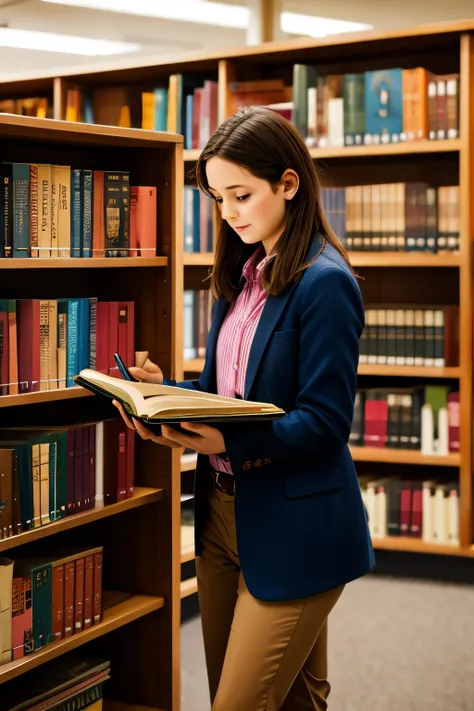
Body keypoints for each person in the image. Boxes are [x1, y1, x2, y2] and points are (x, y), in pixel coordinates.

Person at [113, 106, 375, 711]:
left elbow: (327, 422)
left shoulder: (324, 282)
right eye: (217, 198)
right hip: (222, 518)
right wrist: (165, 394)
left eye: (241, 195)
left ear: (288, 184)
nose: (228, 214)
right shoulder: (244, 274)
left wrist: (227, 442)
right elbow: (230, 396)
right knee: (290, 702)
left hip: (297, 525)